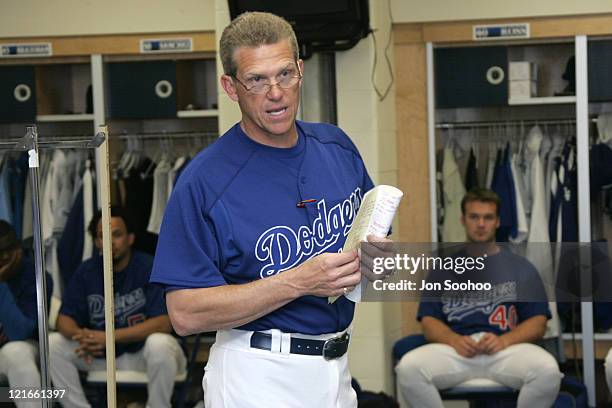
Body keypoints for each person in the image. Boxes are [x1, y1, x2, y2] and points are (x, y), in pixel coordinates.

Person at [149, 11, 392, 408]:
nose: (275, 92)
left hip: (337, 371)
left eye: (284, 75)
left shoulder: (338, 148)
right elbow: (185, 314)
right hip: (257, 373)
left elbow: (377, 254)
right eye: (257, 80)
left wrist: (379, 260)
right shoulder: (204, 181)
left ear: (300, 71)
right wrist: (299, 281)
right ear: (231, 87)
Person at [395, 188, 563, 407]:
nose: (481, 224)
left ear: (497, 222)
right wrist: (453, 340)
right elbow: (428, 321)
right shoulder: (443, 269)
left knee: (548, 372)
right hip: (457, 351)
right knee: (408, 369)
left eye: (488, 217)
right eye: (474, 217)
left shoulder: (521, 268)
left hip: (506, 349)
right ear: (463, 220)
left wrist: (505, 340)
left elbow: (539, 322)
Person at [49, 207, 186, 408]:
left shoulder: (148, 266)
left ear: (130, 238)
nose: (109, 241)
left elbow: (163, 323)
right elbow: (64, 320)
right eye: (102, 236)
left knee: (160, 344)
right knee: (53, 344)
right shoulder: (86, 270)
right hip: (100, 354)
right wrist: (85, 337)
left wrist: (108, 337)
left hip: (142, 355)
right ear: (96, 242)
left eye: (116, 234)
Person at [0, 220, 52, 408]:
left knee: (16, 352)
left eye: (9, 249)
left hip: (29, 347)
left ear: (18, 249)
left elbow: (20, 333)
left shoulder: (36, 277)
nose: (4, 256)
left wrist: (0, 285)